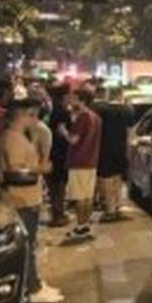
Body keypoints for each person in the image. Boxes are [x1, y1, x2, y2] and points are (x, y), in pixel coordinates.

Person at [0, 99, 63, 303]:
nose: (35, 120)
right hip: (21, 200)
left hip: (24, 199)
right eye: (33, 115)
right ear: (22, 116)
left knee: (30, 244)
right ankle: (32, 288)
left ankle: (34, 283)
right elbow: (15, 172)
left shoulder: (13, 137)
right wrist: (41, 169)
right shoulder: (13, 140)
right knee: (27, 246)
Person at [60, 89, 102, 241]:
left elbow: (74, 140)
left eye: (74, 98)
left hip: (79, 161)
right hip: (91, 161)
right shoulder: (96, 117)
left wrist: (63, 131)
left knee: (79, 197)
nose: (71, 101)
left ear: (82, 100)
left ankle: (80, 226)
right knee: (88, 196)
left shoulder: (82, 117)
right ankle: (85, 225)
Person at [94, 87, 131, 221]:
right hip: (121, 148)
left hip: (105, 148)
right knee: (118, 178)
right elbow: (130, 131)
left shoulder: (102, 111)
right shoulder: (127, 110)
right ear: (121, 95)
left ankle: (109, 208)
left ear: (109, 95)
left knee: (107, 178)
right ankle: (118, 205)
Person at [45, 83, 71, 227]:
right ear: (64, 96)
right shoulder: (62, 112)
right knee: (59, 184)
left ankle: (57, 213)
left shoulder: (51, 109)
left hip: (52, 150)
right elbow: (62, 131)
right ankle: (58, 215)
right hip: (60, 152)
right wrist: (71, 139)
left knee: (55, 184)